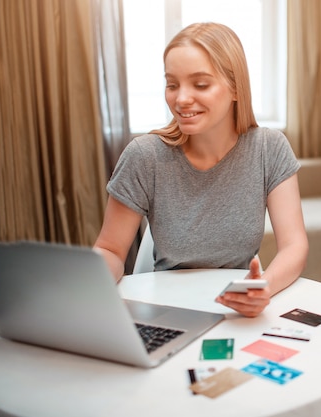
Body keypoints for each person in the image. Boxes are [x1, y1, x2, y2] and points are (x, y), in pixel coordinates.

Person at [94, 22, 308, 318]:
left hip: (235, 313)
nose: (181, 99)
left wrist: (262, 288)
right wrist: (87, 285)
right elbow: (111, 250)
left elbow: (294, 245)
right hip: (166, 310)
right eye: (172, 84)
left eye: (200, 84)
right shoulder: (145, 156)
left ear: (235, 88)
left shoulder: (269, 148)